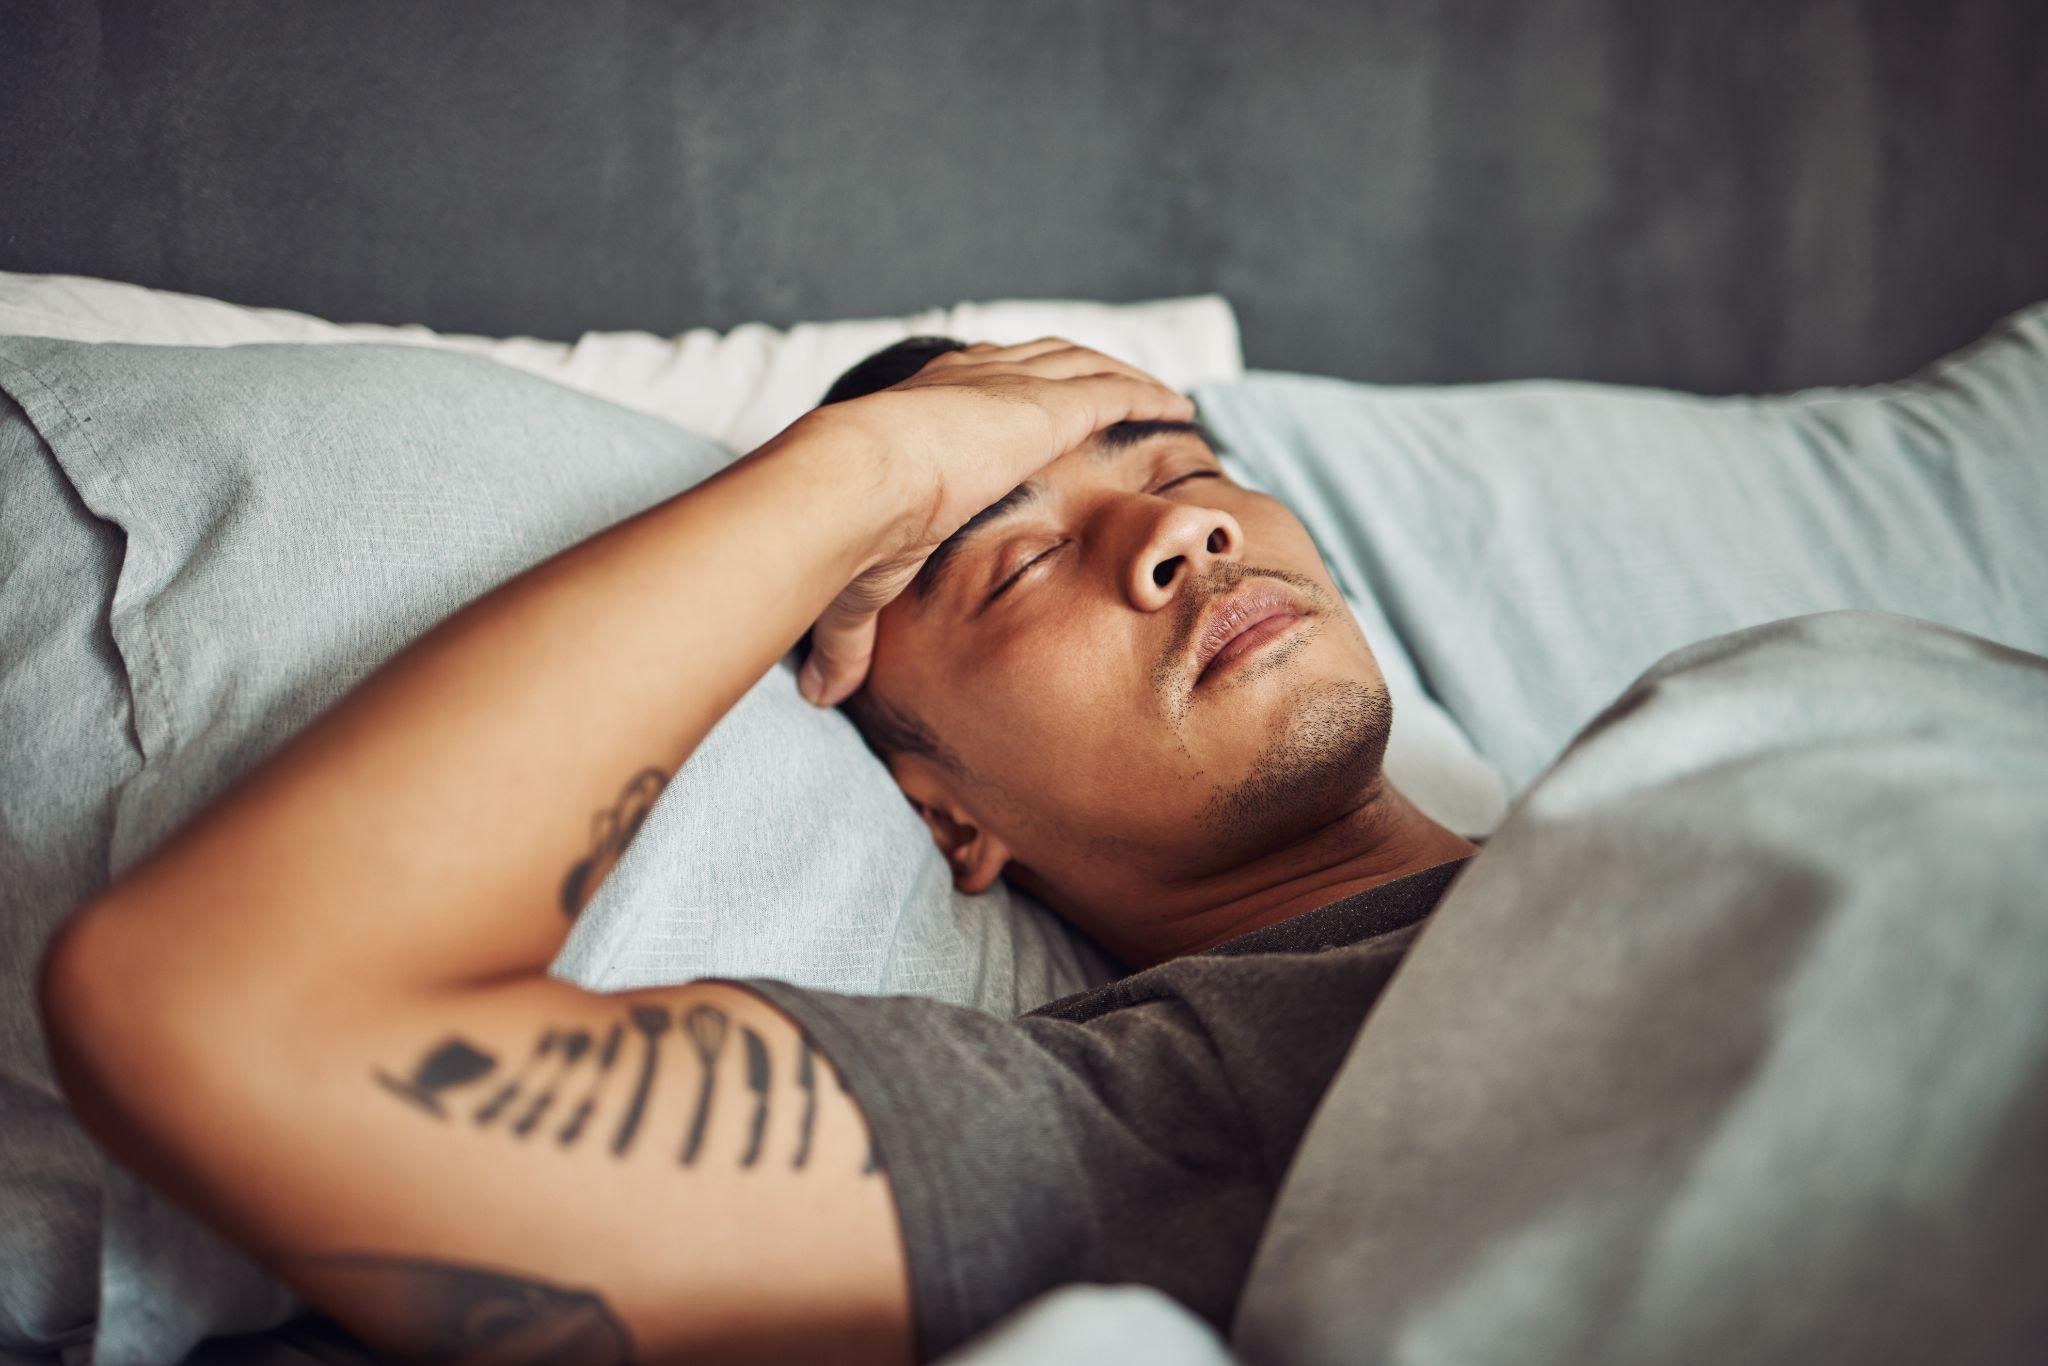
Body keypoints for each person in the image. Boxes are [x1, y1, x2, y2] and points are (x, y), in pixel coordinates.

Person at [38, 338, 1478, 1363]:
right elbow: (230, 1009)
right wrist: (862, 475)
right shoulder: (1141, 1126)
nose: (1182, 529)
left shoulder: (1654, 745)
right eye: (1018, 561)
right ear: (946, 815)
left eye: (1180, 466)